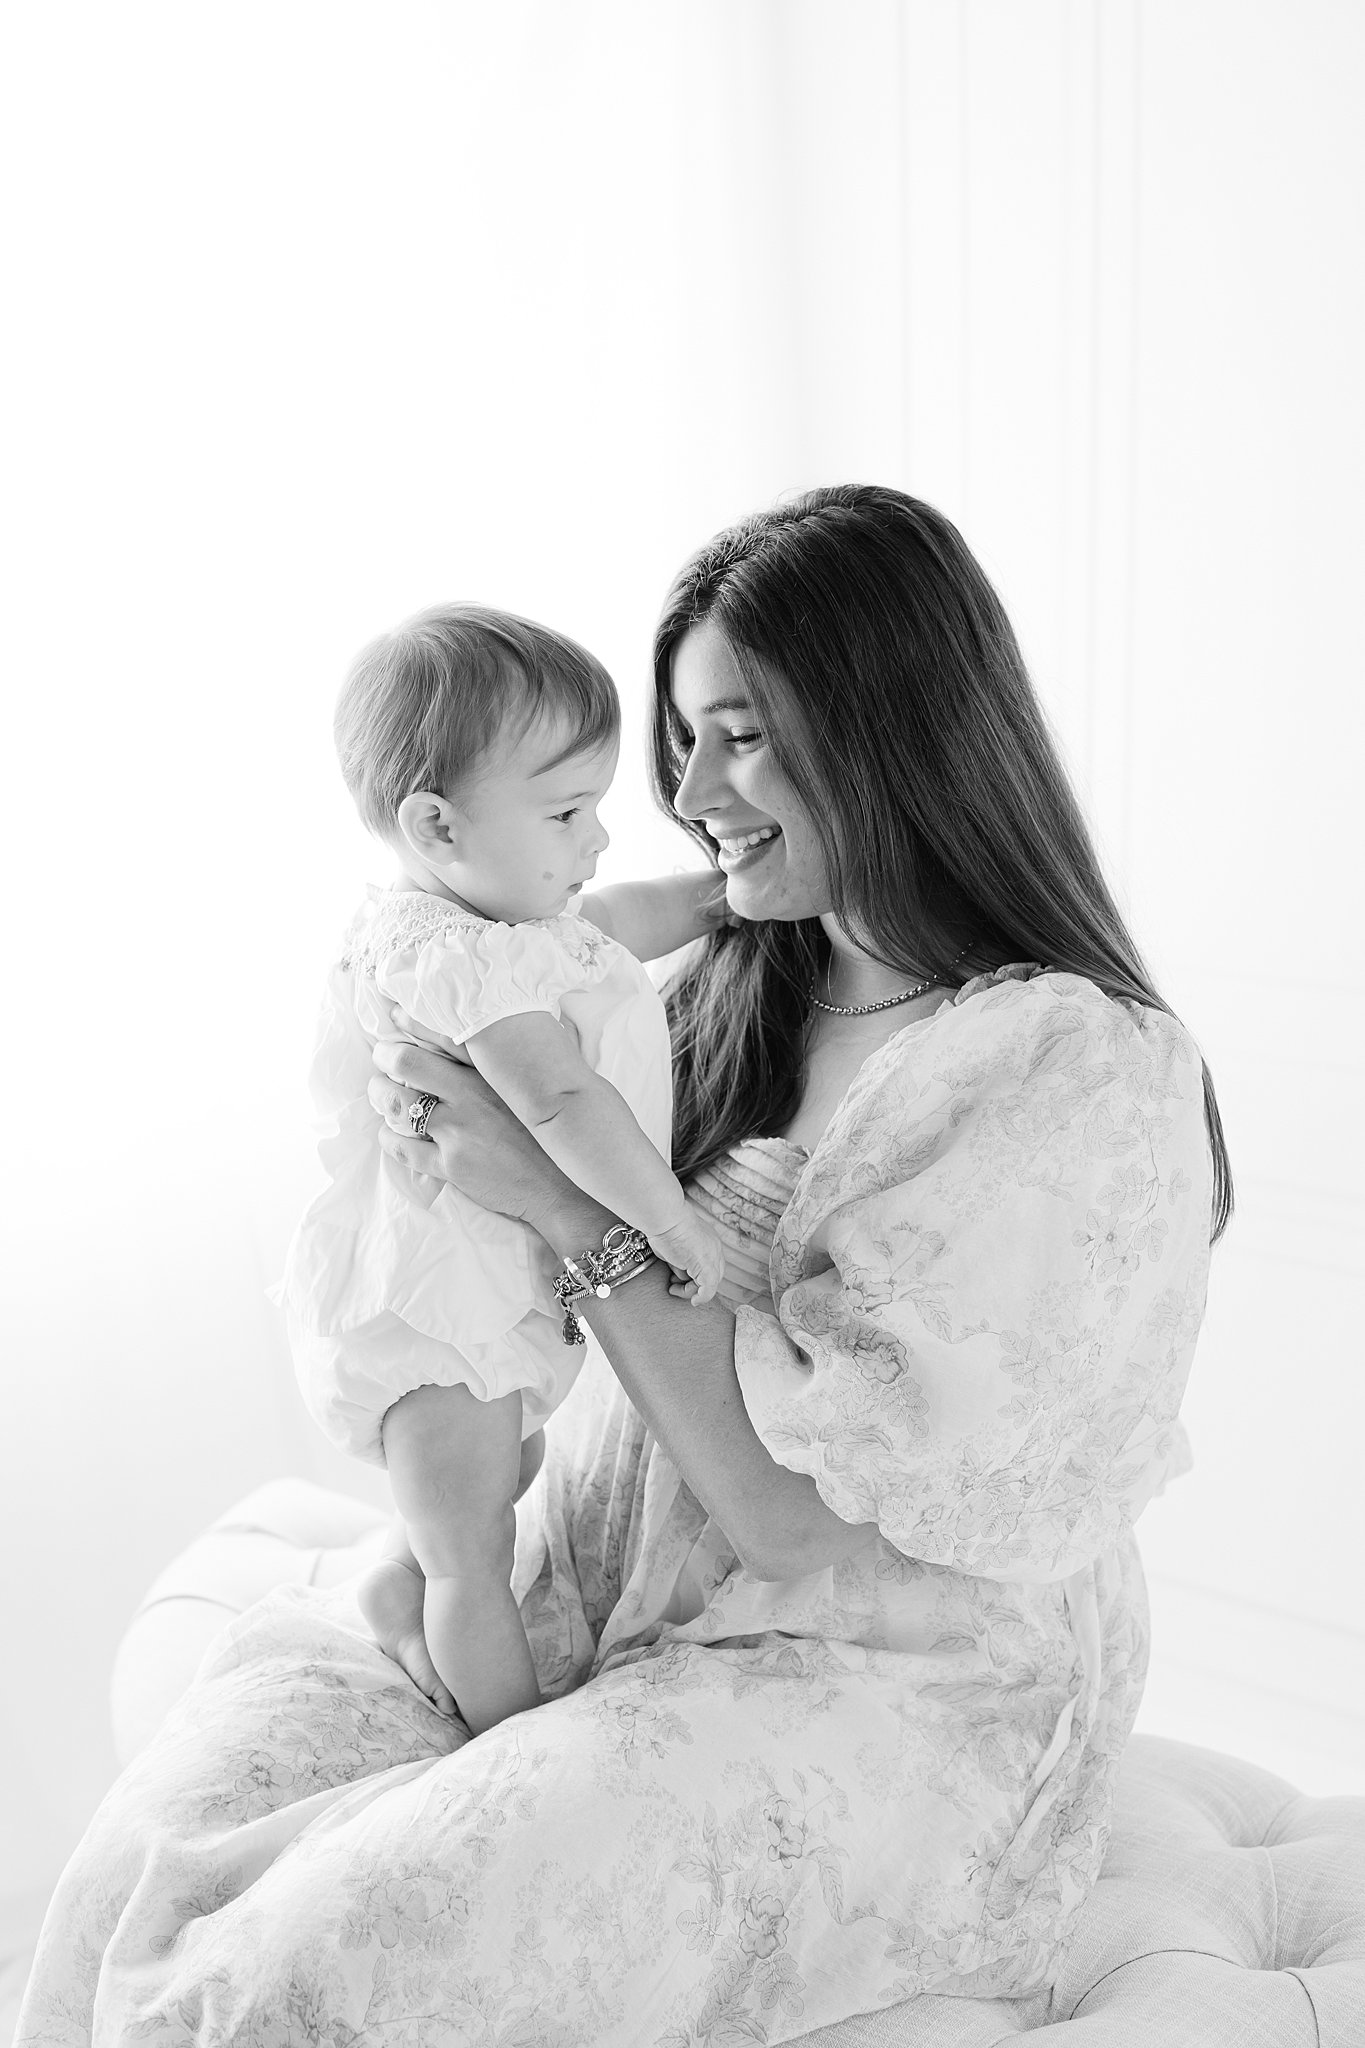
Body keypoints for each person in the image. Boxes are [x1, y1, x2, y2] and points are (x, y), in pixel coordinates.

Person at [17, 486, 1228, 2047]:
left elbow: (791, 1513)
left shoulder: (1068, 1064)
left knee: (313, 1973)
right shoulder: (720, 973)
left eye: (741, 734)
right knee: (146, 1868)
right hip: (590, 1587)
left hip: (877, 1683)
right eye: (680, 740)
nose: (691, 789)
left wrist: (552, 1199)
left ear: (892, 728)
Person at [276, 603, 726, 1733]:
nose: (598, 841)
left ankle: (398, 1572)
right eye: (569, 811)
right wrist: (666, 1219)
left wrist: (726, 899)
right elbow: (559, 1099)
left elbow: (620, 918)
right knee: (475, 1549)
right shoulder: (445, 956)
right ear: (437, 824)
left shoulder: (499, 923)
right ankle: (507, 1737)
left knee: (504, 1472)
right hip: (437, 1320)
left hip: (475, 1302)